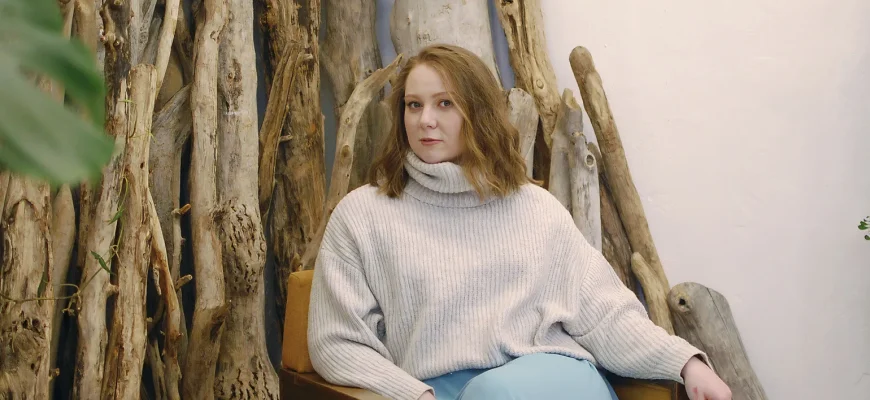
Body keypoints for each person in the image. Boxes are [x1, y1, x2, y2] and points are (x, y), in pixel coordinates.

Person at [307, 43, 732, 400]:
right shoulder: (364, 216)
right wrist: (413, 395)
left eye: (445, 103)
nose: (425, 120)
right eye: (413, 105)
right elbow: (336, 342)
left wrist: (686, 363)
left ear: (478, 113)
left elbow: (604, 314)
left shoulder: (535, 208)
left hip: (558, 381)